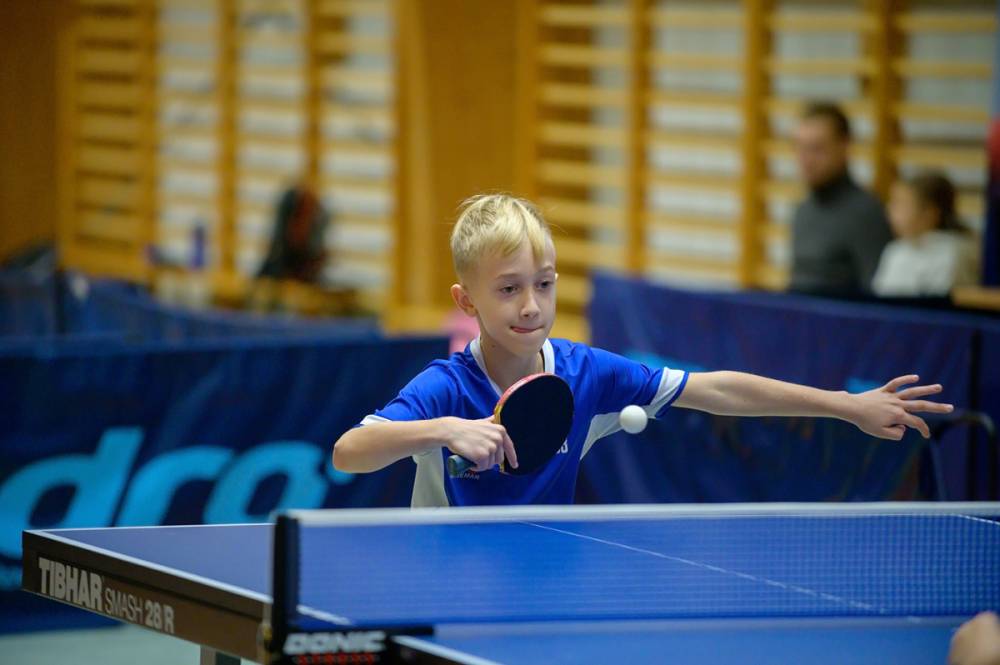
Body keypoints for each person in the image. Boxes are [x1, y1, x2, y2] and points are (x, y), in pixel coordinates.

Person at [333, 194, 953, 507]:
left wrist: (846, 406)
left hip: (541, 577)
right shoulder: (446, 386)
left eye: (544, 284)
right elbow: (348, 452)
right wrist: (446, 430)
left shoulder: (586, 374)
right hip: (444, 578)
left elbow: (716, 388)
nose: (531, 306)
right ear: (465, 301)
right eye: (508, 289)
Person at [789, 102, 893, 296]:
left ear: (844, 147)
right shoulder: (803, 210)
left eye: (817, 148)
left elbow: (877, 296)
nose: (806, 159)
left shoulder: (866, 213)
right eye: (800, 147)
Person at [872, 170, 980, 297]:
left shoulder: (952, 253)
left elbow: (937, 303)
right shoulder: (895, 250)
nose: (889, 211)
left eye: (901, 204)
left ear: (930, 213)